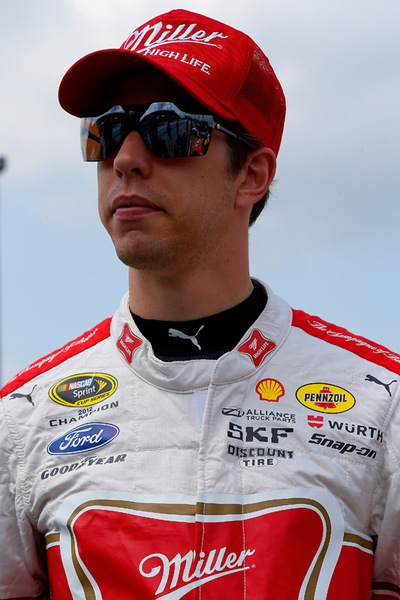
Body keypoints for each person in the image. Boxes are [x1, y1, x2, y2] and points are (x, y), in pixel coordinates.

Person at [0, 8, 399, 599]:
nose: (126, 159)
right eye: (106, 129)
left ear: (251, 175)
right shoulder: (20, 421)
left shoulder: (383, 408)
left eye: (169, 128)